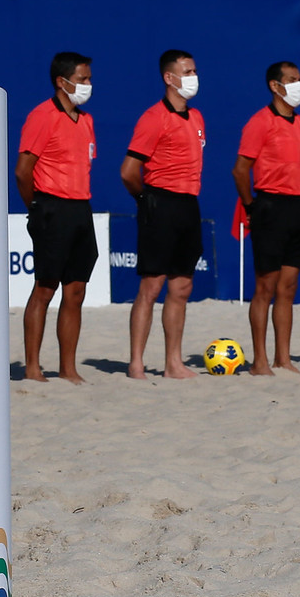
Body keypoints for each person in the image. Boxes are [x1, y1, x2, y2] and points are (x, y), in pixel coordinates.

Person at [123, 48, 206, 379]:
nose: (193, 77)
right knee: (151, 286)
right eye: (186, 72)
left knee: (182, 286)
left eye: (194, 70)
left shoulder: (197, 117)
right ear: (168, 78)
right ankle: (136, 363)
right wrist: (145, 199)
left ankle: (174, 362)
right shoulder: (153, 117)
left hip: (188, 204)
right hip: (160, 202)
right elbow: (129, 170)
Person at [15, 51, 97, 383]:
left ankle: (68, 367)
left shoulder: (86, 120)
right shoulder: (42, 115)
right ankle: (32, 367)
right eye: (82, 79)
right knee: (45, 287)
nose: (88, 85)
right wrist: (36, 207)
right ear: (62, 82)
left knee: (76, 289)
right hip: (50, 206)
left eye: (89, 78)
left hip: (81, 208)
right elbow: (23, 171)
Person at [233, 60, 300, 375]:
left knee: (289, 286)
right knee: (264, 286)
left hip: (298, 206)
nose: (298, 85)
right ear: (275, 86)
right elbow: (240, 170)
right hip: (269, 204)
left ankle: (284, 357)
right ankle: (260, 360)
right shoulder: (260, 122)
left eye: (299, 79)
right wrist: (251, 205)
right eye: (292, 80)